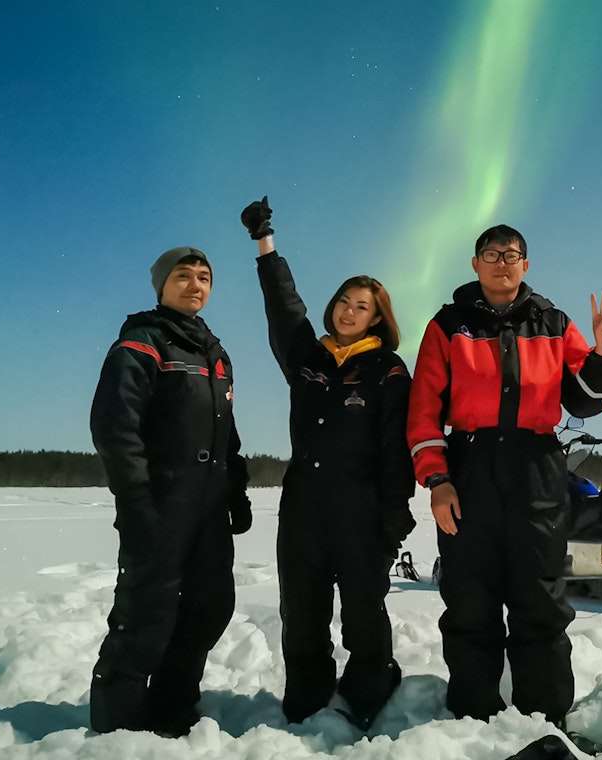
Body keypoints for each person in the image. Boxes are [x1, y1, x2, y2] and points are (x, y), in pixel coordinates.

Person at [406, 224, 602, 726]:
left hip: (536, 469)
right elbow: (422, 412)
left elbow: (585, 400)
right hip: (469, 467)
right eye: (491, 253)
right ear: (475, 264)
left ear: (526, 265)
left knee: (539, 598)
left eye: (513, 254)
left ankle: (545, 717)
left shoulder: (553, 322)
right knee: (469, 598)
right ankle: (472, 717)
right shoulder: (447, 325)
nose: (502, 261)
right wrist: (438, 480)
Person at [240, 197, 416, 729]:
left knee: (364, 612)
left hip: (360, 511)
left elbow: (396, 450)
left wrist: (394, 517)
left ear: (377, 318)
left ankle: (369, 689)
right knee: (303, 612)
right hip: (303, 510)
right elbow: (283, 306)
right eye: (343, 300)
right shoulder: (307, 358)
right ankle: (308, 699)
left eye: (361, 306)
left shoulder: (387, 370)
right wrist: (264, 244)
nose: (347, 310)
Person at [89, 246, 252, 736]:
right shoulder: (142, 343)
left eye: (204, 277)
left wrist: (236, 490)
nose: (195, 285)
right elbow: (116, 427)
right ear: (161, 285)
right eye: (183, 276)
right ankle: (116, 726)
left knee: (211, 605)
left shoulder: (215, 353)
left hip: (207, 510)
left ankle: (173, 703)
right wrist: (136, 501)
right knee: (145, 613)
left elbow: (229, 432)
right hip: (160, 503)